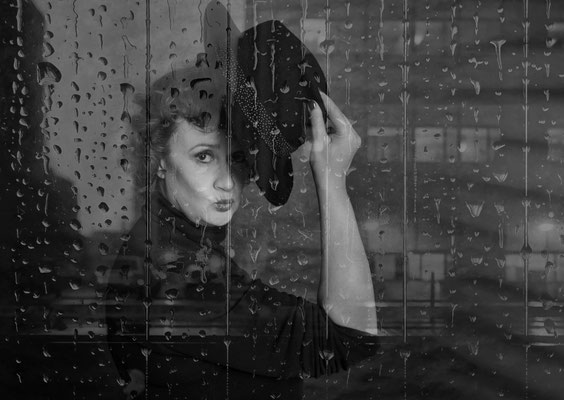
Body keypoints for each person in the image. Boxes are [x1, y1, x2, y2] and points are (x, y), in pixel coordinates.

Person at [104, 63, 378, 399]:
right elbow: (349, 338)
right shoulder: (178, 277)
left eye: (236, 157)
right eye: (204, 156)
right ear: (160, 159)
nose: (226, 181)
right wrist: (332, 179)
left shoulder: (164, 240)